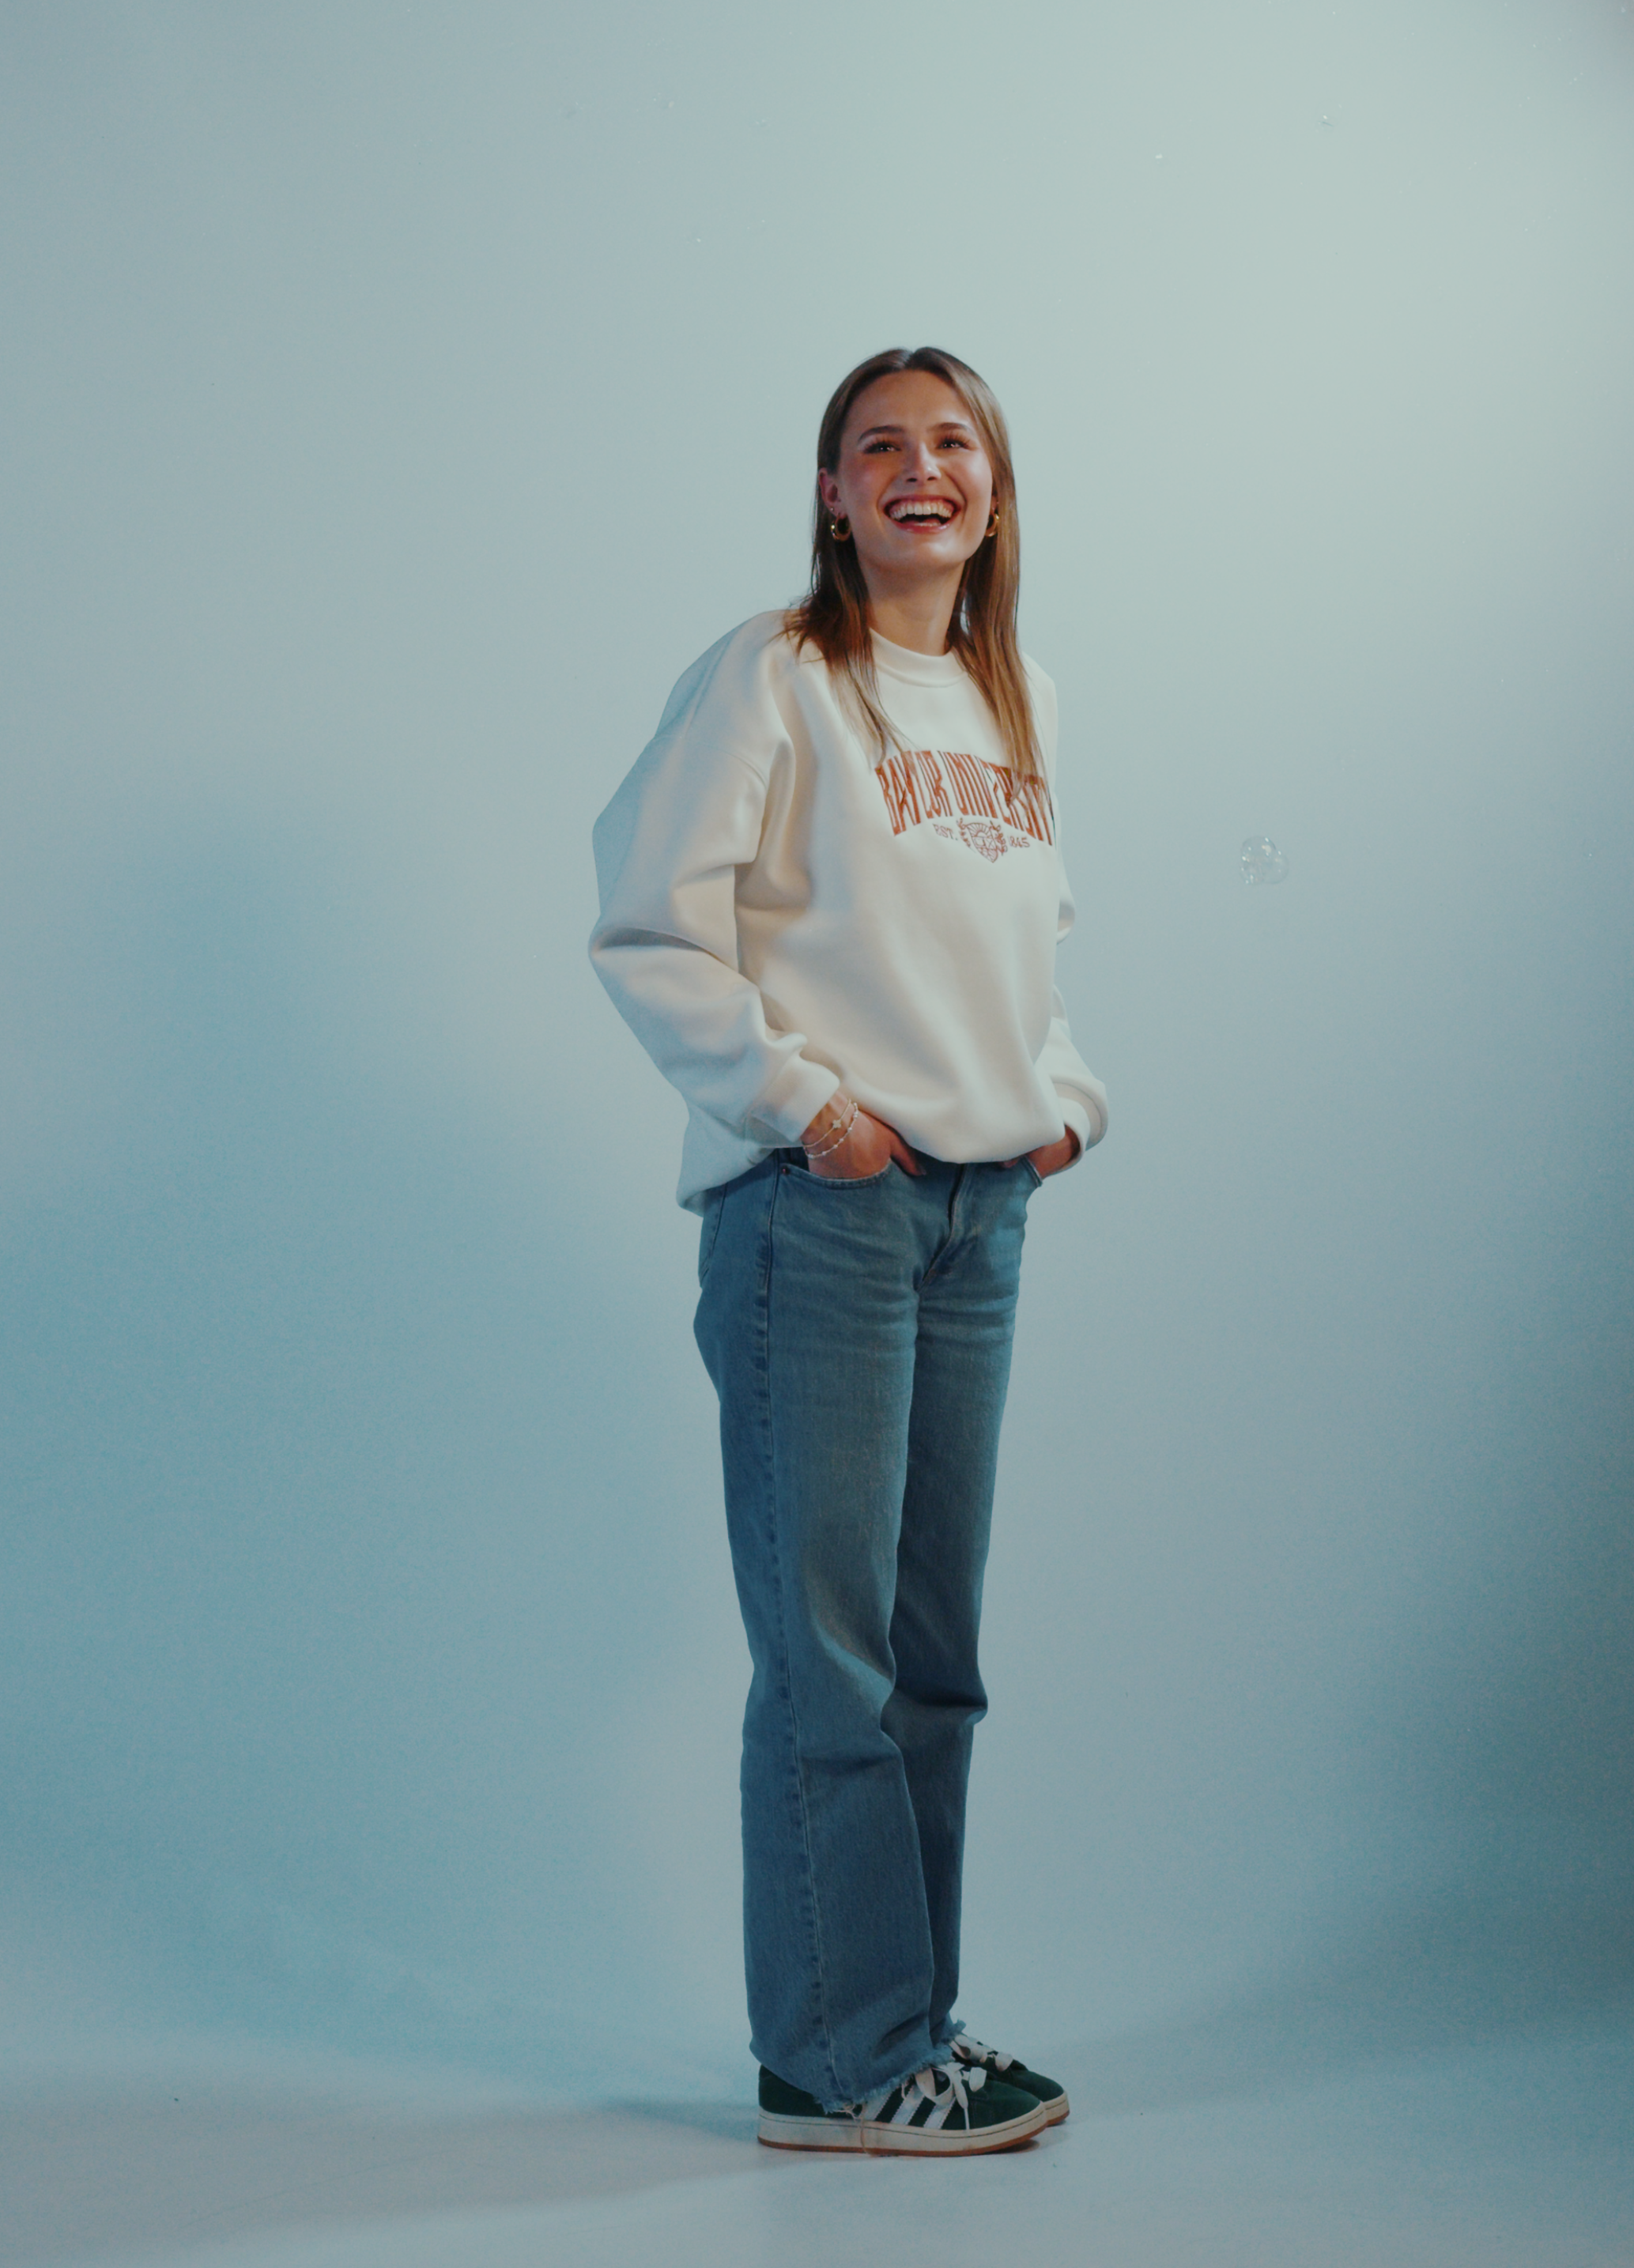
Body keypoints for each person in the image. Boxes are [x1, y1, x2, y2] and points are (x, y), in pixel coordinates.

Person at [588, 346, 1108, 2156]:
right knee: (835, 1660)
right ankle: (841, 2051)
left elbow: (1007, 953)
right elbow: (652, 922)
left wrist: (1061, 1100)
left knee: (931, 1653)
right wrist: (800, 1106)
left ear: (994, 486)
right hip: (823, 1212)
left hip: (979, 1210)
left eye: (952, 441)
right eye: (876, 444)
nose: (918, 468)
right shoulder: (776, 674)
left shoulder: (1007, 690)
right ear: (830, 493)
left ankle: (907, 2031)